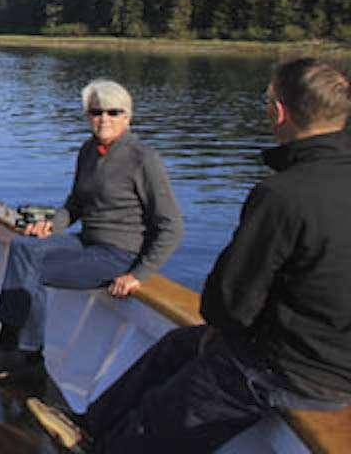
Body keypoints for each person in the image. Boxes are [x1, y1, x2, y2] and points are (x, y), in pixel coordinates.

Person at [28, 58, 351, 453]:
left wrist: (222, 327)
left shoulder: (283, 195)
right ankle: (87, 427)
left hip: (290, 371)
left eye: (268, 100)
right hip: (328, 359)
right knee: (178, 345)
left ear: (279, 112)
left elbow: (231, 301)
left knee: (157, 420)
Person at [0, 79, 183, 383]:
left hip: (118, 254)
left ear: (127, 116)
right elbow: (75, 205)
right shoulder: (88, 151)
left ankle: (26, 353)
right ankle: (10, 347)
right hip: (87, 242)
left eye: (113, 111)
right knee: (22, 247)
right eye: (96, 112)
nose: (104, 119)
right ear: (87, 116)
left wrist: (139, 274)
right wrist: (51, 225)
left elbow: (171, 226)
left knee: (33, 269)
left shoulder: (143, 159)